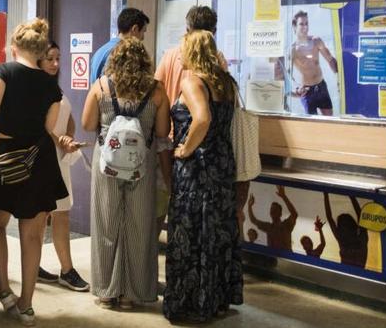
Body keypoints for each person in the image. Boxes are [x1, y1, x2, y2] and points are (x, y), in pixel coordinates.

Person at [0, 18, 69, 327]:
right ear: (41, 51)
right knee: (32, 235)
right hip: (39, 160)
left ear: (13, 47)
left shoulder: (2, 71)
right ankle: (27, 304)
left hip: (7, 157)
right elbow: (49, 127)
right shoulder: (50, 84)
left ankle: (4, 291)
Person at [82, 37, 171, 309]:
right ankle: (131, 293)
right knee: (138, 226)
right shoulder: (157, 91)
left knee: (106, 223)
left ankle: (106, 291)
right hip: (140, 165)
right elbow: (162, 132)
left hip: (106, 164)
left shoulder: (100, 87)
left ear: (114, 59)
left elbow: (87, 124)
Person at [163, 30, 243, 322]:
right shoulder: (225, 82)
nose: (178, 53)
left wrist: (184, 149)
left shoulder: (191, 81)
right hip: (222, 165)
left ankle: (191, 302)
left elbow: (203, 118)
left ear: (193, 51)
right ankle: (217, 298)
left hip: (198, 168)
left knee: (191, 232)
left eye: (183, 47)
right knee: (217, 231)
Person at [35, 41, 90, 292]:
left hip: (60, 158)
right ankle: (37, 266)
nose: (56, 64)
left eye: (58, 58)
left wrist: (67, 137)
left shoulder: (53, 87)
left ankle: (66, 270)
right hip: (42, 159)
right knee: (40, 216)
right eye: (50, 59)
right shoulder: (32, 88)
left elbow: (69, 119)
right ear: (38, 60)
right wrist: (61, 141)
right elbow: (40, 128)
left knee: (61, 212)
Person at [289, 10, 337, 115]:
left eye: (306, 23)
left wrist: (340, 78)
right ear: (294, 26)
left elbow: (330, 59)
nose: (305, 27)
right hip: (307, 92)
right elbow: (288, 75)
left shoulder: (316, 41)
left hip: (321, 87)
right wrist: (296, 90)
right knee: (313, 125)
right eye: (301, 24)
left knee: (329, 121)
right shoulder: (293, 50)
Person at [89, 7, 149, 84]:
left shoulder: (100, 52)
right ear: (135, 29)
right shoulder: (127, 54)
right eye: (143, 31)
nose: (143, 38)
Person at [323, 192, 368, 268]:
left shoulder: (359, 237)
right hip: (351, 274)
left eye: (346, 225)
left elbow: (330, 218)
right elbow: (360, 216)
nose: (345, 228)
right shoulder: (360, 237)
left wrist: (326, 195)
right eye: (343, 225)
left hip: (351, 274)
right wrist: (352, 196)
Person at [247, 185, 298, 251]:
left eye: (275, 210)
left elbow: (294, 214)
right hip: (272, 259)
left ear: (280, 214)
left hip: (286, 258)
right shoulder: (268, 227)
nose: (272, 211)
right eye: (271, 210)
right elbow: (253, 220)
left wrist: (284, 196)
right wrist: (249, 206)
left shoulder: (286, 225)